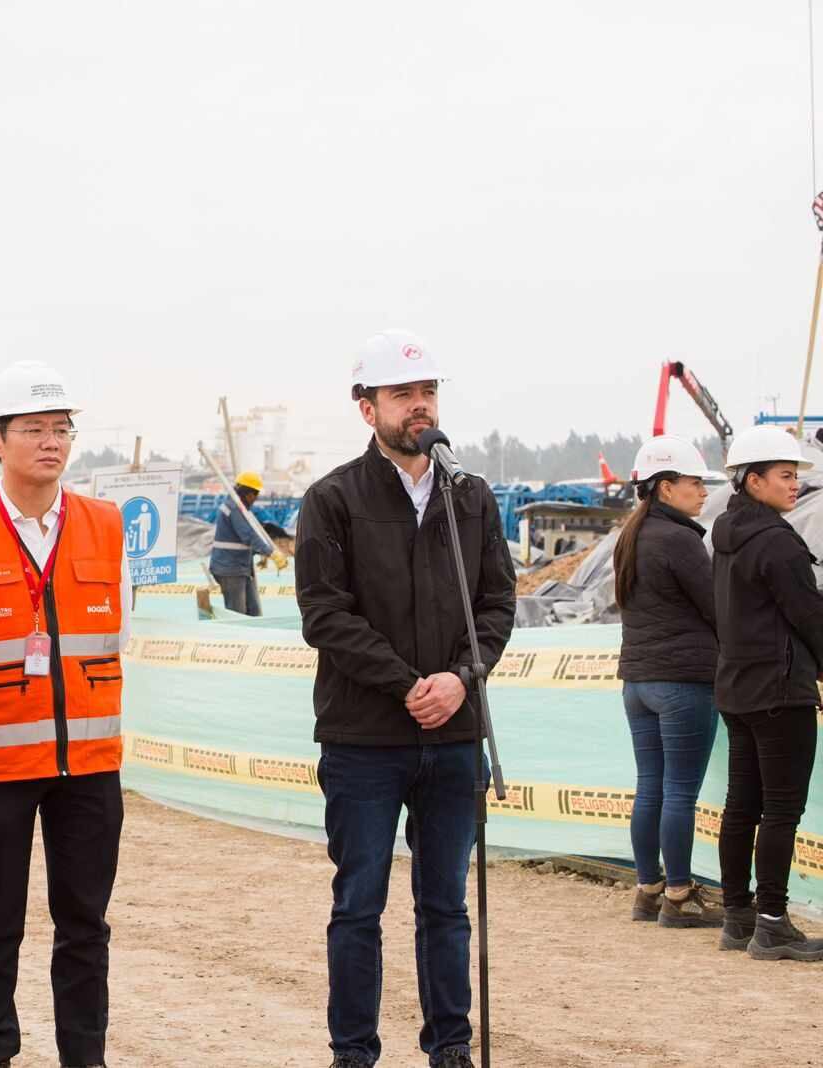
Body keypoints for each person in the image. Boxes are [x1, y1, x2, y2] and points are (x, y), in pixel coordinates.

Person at [294, 330, 516, 1068]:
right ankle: (354, 1051)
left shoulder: (471, 496)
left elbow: (496, 605)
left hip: (454, 738)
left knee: (446, 907)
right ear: (368, 410)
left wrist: (460, 678)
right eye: (403, 396)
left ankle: (450, 1045)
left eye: (428, 394)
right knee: (359, 904)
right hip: (364, 740)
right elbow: (325, 614)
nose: (420, 407)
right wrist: (405, 683)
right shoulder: (332, 500)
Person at [0, 359, 131, 1068]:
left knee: (85, 927)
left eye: (62, 429)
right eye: (35, 430)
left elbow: (118, 636)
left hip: (89, 769)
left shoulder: (107, 528)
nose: (52, 443)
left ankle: (86, 1058)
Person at [710, 424, 823, 961]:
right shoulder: (778, 542)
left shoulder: (725, 536)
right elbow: (810, 617)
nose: (794, 484)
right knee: (781, 810)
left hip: (738, 689)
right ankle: (773, 922)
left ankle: (738, 916)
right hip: (780, 692)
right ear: (752, 480)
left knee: (742, 806)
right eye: (784, 475)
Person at [612, 436, 726, 928]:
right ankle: (679, 897)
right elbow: (716, 607)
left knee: (651, 787)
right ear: (663, 487)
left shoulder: (631, 536)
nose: (702, 491)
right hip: (683, 681)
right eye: (694, 482)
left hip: (638, 683)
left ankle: (648, 890)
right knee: (679, 791)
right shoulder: (680, 540)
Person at [207, 470, 288, 617]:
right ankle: (237, 640)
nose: (255, 499)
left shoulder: (240, 508)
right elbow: (248, 536)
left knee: (253, 612)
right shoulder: (234, 508)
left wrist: (261, 554)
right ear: (248, 493)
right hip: (230, 569)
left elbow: (239, 540)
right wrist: (271, 553)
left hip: (240, 567)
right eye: (255, 494)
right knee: (237, 615)